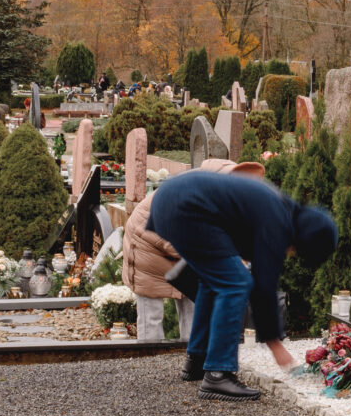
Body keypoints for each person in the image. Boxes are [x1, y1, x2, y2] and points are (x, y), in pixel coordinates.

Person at [149, 169, 336, 400]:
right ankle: (218, 374)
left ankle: (196, 360)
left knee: (215, 281)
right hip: (185, 207)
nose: (291, 254)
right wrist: (275, 345)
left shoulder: (279, 208)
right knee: (236, 283)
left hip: (170, 198)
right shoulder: (278, 221)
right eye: (298, 251)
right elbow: (263, 288)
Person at [123, 159, 266, 346]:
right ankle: (149, 356)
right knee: (151, 312)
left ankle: (191, 355)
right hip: (146, 244)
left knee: (192, 301)